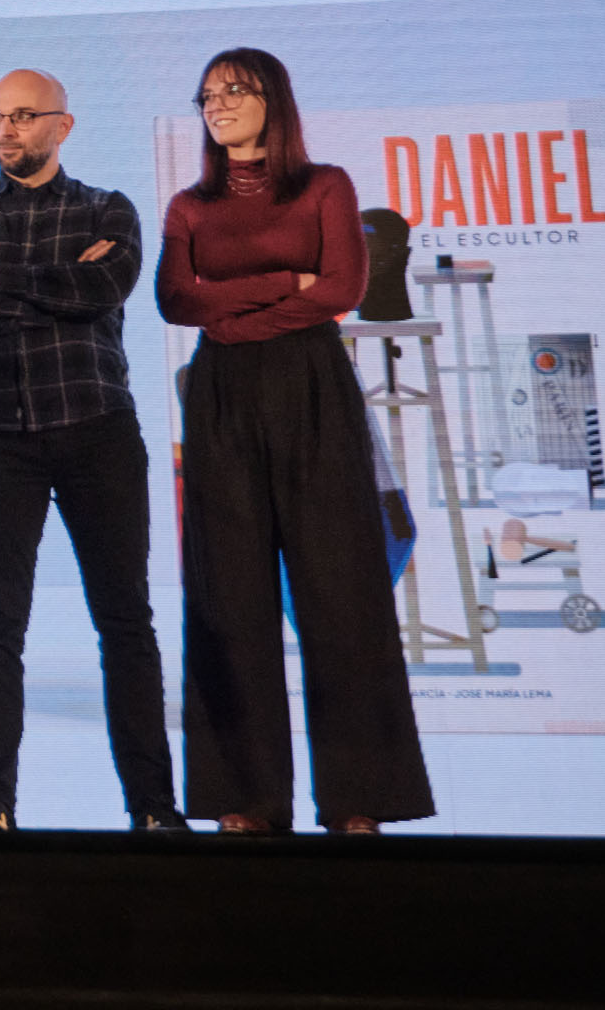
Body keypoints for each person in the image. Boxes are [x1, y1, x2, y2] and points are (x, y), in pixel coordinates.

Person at [155, 47, 433, 834]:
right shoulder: (189, 205)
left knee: (343, 591)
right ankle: (246, 798)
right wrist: (284, 284)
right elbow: (177, 300)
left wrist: (236, 311)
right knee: (228, 597)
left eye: (233, 91)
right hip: (221, 395)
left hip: (311, 385)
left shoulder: (325, 186)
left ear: (272, 100)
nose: (216, 105)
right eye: (207, 95)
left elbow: (343, 288)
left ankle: (359, 800)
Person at [0, 70, 187, 833]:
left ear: (62, 126)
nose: (6, 130)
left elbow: (106, 288)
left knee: (125, 620)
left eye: (23, 116)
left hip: (96, 428)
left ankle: (153, 809)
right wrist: (59, 285)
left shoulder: (107, 209)